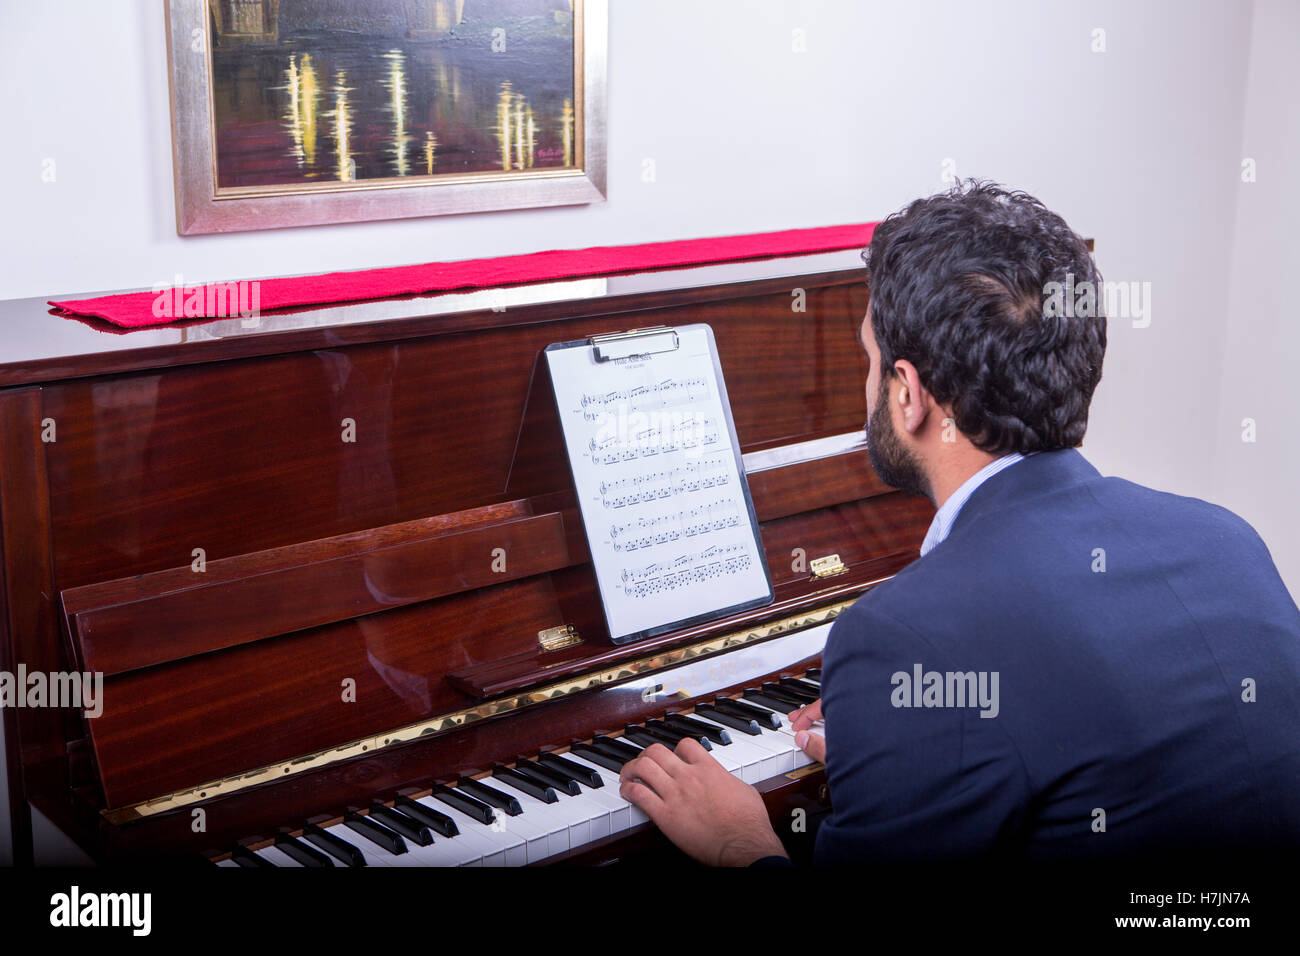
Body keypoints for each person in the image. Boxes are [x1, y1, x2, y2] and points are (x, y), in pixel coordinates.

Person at [616, 180, 1300, 866]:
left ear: (909, 396)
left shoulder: (905, 635)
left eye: (870, 361)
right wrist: (910, 754)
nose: (868, 387)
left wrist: (743, 844)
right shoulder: (1227, 541)